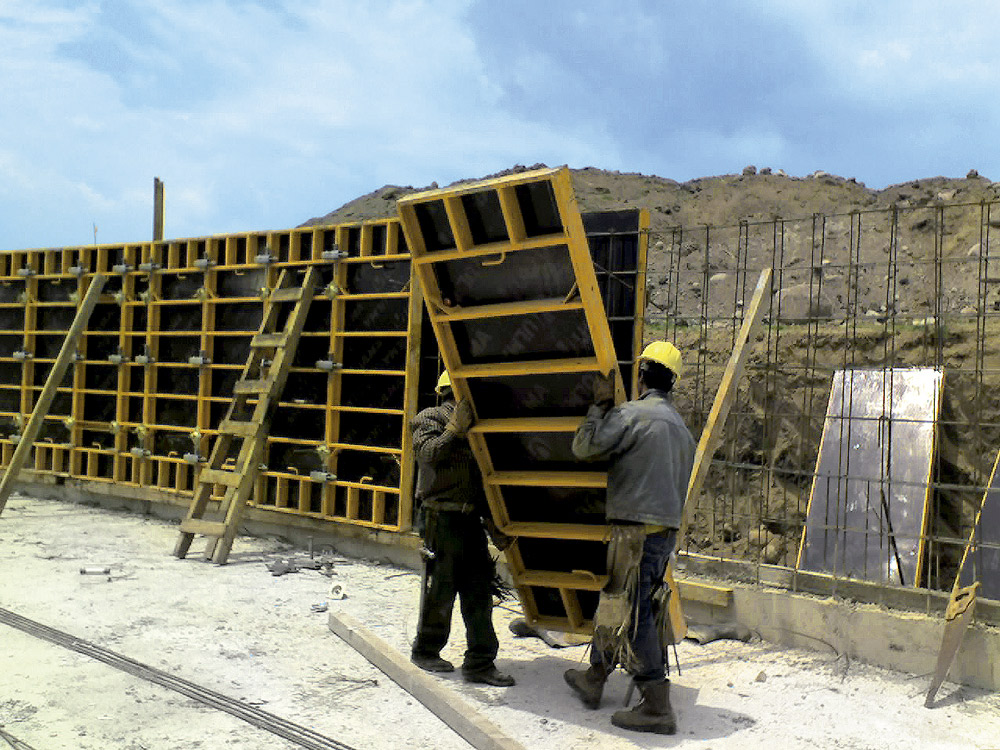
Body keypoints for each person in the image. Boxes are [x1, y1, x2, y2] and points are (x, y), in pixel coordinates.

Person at [564, 341, 696, 734]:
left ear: (641, 377)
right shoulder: (682, 431)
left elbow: (583, 447)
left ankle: (657, 706)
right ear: (673, 382)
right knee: (620, 604)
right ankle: (595, 677)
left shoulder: (631, 415)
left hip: (634, 533)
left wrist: (598, 408)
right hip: (662, 534)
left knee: (633, 615)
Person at [409, 371, 515, 687]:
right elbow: (427, 454)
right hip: (439, 518)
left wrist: (493, 524)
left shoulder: (477, 428)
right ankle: (426, 651)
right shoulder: (429, 418)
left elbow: (480, 482)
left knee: (479, 591)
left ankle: (480, 662)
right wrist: (453, 431)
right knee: (439, 590)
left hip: (469, 519)